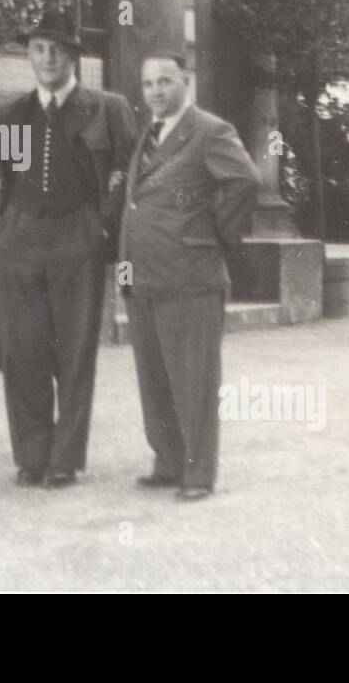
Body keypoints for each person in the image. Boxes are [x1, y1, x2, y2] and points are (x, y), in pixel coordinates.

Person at [0, 9, 136, 489]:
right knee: (21, 350)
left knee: (74, 350)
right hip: (18, 241)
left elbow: (127, 173)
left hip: (76, 238)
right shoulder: (8, 113)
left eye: (56, 49)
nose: (45, 58)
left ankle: (65, 460)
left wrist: (100, 228)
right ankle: (31, 456)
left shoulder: (107, 107)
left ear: (73, 56)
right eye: (37, 49)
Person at [119, 51, 260, 502]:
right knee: (155, 376)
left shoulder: (209, 130)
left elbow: (246, 180)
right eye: (148, 84)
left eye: (165, 81)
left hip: (190, 276)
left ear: (186, 83)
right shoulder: (151, 132)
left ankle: (198, 475)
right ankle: (168, 462)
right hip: (144, 276)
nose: (156, 91)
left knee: (193, 380)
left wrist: (213, 232)